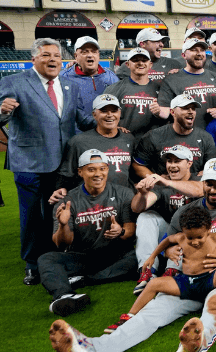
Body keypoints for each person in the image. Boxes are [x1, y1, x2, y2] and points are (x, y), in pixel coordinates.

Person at [48, 158, 216, 352]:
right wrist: (169, 251)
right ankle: (97, 350)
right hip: (188, 280)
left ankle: (193, 345)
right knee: (150, 313)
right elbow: (169, 243)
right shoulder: (187, 213)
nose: (213, 189)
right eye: (209, 183)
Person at [0, 37, 95, 285]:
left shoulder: (69, 86)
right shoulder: (13, 81)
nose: (52, 59)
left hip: (62, 164)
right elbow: (1, 115)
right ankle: (32, 263)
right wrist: (2, 110)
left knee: (58, 212)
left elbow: (81, 120)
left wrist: (110, 123)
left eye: (56, 56)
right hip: (28, 162)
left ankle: (56, 257)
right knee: (32, 216)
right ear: (33, 59)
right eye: (46, 55)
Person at [110, 206, 216, 332]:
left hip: (209, 281)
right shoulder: (181, 238)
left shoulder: (215, 238)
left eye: (200, 237)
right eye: (190, 238)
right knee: (153, 283)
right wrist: (153, 256)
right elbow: (167, 240)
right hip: (186, 283)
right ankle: (129, 316)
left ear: (208, 229)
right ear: (183, 232)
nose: (195, 242)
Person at [40, 149, 137, 316]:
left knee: (139, 258)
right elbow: (61, 243)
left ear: (107, 169)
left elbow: (130, 231)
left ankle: (84, 280)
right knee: (46, 259)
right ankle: (63, 296)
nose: (97, 174)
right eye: (91, 169)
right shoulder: (67, 201)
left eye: (102, 168)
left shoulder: (124, 193)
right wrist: (63, 225)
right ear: (80, 172)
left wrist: (120, 231)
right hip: (83, 256)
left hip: (115, 254)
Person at [129, 145, 201, 294]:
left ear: (189, 163)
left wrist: (167, 182)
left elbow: (199, 190)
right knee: (145, 217)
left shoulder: (198, 180)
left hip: (191, 235)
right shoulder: (161, 185)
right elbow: (137, 208)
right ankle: (148, 272)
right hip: (168, 232)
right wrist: (142, 194)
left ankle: (172, 271)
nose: (172, 165)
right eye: (169, 161)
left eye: (177, 161)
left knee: (190, 225)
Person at [54, 94, 135, 192]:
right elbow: (65, 175)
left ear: (120, 113)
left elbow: (133, 172)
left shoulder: (129, 138)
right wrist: (61, 189)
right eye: (103, 111)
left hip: (122, 200)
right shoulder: (78, 142)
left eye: (114, 111)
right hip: (91, 201)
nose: (110, 115)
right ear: (94, 114)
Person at [132, 95, 216, 178]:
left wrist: (207, 172)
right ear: (172, 112)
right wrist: (155, 179)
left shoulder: (206, 137)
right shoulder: (154, 136)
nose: (191, 111)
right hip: (165, 190)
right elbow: (137, 165)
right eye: (185, 108)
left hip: (193, 189)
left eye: (193, 108)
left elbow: (213, 166)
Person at [157, 37, 216, 129]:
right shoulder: (172, 79)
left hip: (213, 134)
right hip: (184, 136)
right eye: (194, 50)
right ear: (184, 55)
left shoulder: (215, 77)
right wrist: (156, 111)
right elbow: (165, 110)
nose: (199, 53)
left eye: (202, 50)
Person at [61, 36, 118, 130]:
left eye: (94, 51)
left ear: (98, 55)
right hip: (76, 136)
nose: (90, 55)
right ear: (76, 56)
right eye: (84, 52)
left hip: (104, 133)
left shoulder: (111, 77)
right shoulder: (64, 77)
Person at [105, 48, 161, 137]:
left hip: (152, 142)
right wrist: (114, 127)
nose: (140, 63)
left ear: (150, 64)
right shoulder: (115, 88)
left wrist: (160, 111)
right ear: (127, 64)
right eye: (135, 60)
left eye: (144, 60)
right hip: (123, 140)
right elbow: (102, 114)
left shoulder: (161, 89)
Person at [114, 27, 181, 82]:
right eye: (156, 41)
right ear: (142, 44)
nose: (162, 44)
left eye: (162, 41)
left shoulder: (174, 64)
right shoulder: (127, 67)